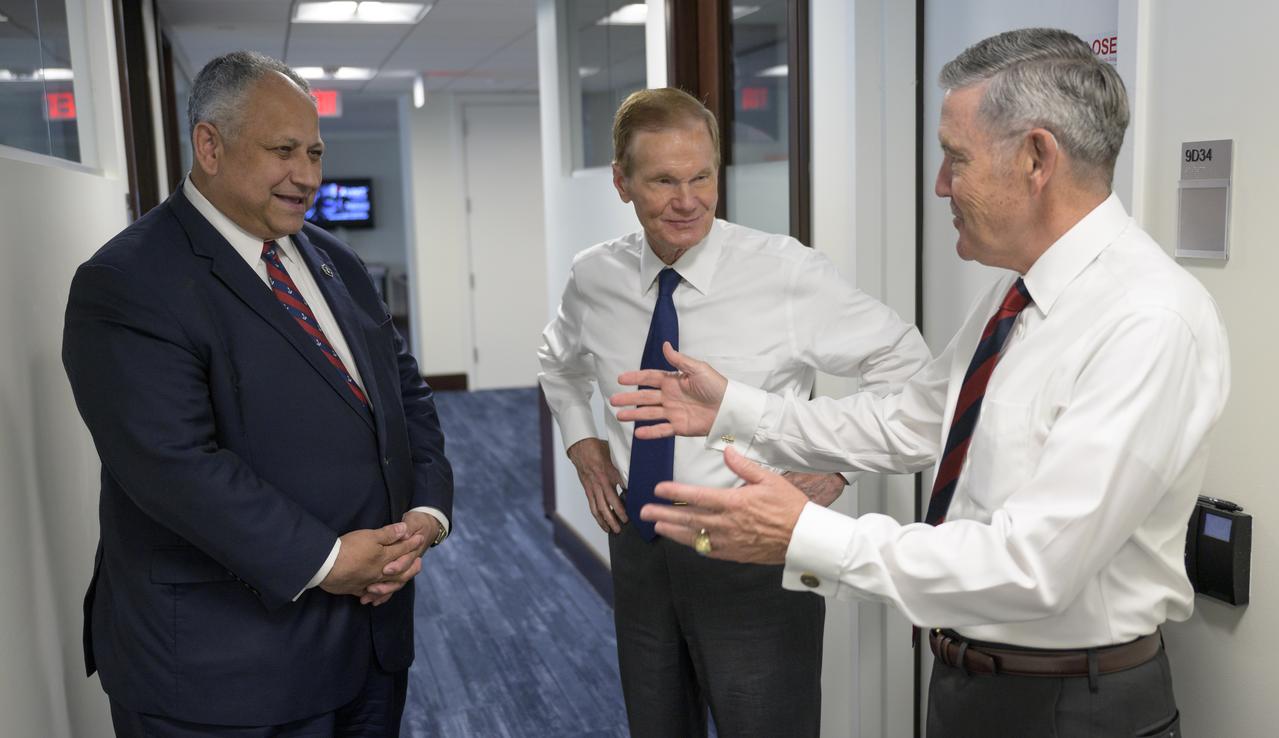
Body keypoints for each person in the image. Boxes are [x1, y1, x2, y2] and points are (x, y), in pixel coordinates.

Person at [613, 28, 1229, 738]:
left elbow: (1032, 566)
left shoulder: (1146, 321)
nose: (939, 183)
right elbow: (907, 421)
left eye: (954, 157)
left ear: (1035, 158)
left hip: (1069, 706)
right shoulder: (1016, 299)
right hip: (972, 681)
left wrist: (807, 535)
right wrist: (735, 409)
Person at [62, 51, 453, 736]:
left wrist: (425, 512)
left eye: (314, 153)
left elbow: (405, 395)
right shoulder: (128, 282)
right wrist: (328, 560)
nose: (306, 176)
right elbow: (174, 465)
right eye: (283, 151)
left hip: (368, 645)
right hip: (226, 674)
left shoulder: (333, 259)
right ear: (209, 145)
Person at [538, 87, 931, 737]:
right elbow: (558, 361)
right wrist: (583, 446)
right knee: (657, 724)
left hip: (753, 553)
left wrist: (835, 467)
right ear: (621, 182)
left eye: (701, 177)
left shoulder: (785, 274)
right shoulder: (594, 278)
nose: (686, 201)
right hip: (639, 549)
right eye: (663, 180)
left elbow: (907, 369)